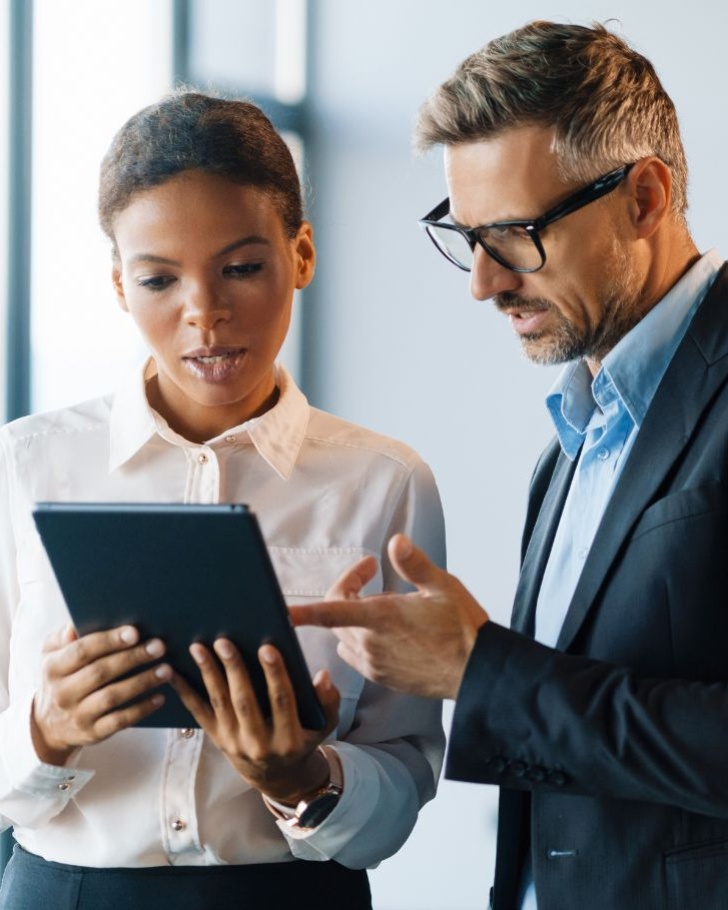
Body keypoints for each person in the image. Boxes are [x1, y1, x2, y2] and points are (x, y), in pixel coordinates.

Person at [290, 20, 728, 910]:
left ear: (646, 197)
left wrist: (479, 670)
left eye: (517, 236)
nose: (482, 283)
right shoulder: (572, 437)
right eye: (467, 236)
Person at [0, 91, 446, 910]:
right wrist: (45, 731)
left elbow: (410, 768)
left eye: (241, 267)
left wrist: (306, 779)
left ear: (301, 255)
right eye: (158, 278)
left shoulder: (384, 483)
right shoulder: (24, 467)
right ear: (117, 285)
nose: (203, 311)